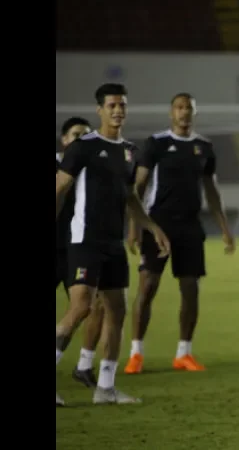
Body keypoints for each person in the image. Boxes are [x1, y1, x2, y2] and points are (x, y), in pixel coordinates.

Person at [55, 83, 171, 406]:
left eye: (122, 105)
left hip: (113, 244)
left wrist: (151, 227)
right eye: (111, 106)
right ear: (99, 110)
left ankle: (105, 388)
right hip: (85, 241)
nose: (118, 110)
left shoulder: (130, 151)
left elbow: (130, 197)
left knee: (117, 311)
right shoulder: (83, 147)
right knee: (80, 307)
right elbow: (59, 188)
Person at [123, 93, 235, 375]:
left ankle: (183, 353)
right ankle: (136, 352)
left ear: (195, 113)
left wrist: (224, 227)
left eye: (189, 108)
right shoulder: (156, 143)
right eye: (179, 108)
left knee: (190, 290)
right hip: (157, 223)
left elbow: (211, 188)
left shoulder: (204, 147)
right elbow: (139, 186)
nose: (184, 113)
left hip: (190, 226)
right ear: (171, 112)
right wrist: (135, 227)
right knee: (147, 287)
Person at [56, 116, 107, 389]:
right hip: (58, 247)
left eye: (86, 136)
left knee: (92, 307)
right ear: (64, 140)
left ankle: (85, 365)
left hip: (76, 248)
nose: (80, 140)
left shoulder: (91, 166)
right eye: (76, 135)